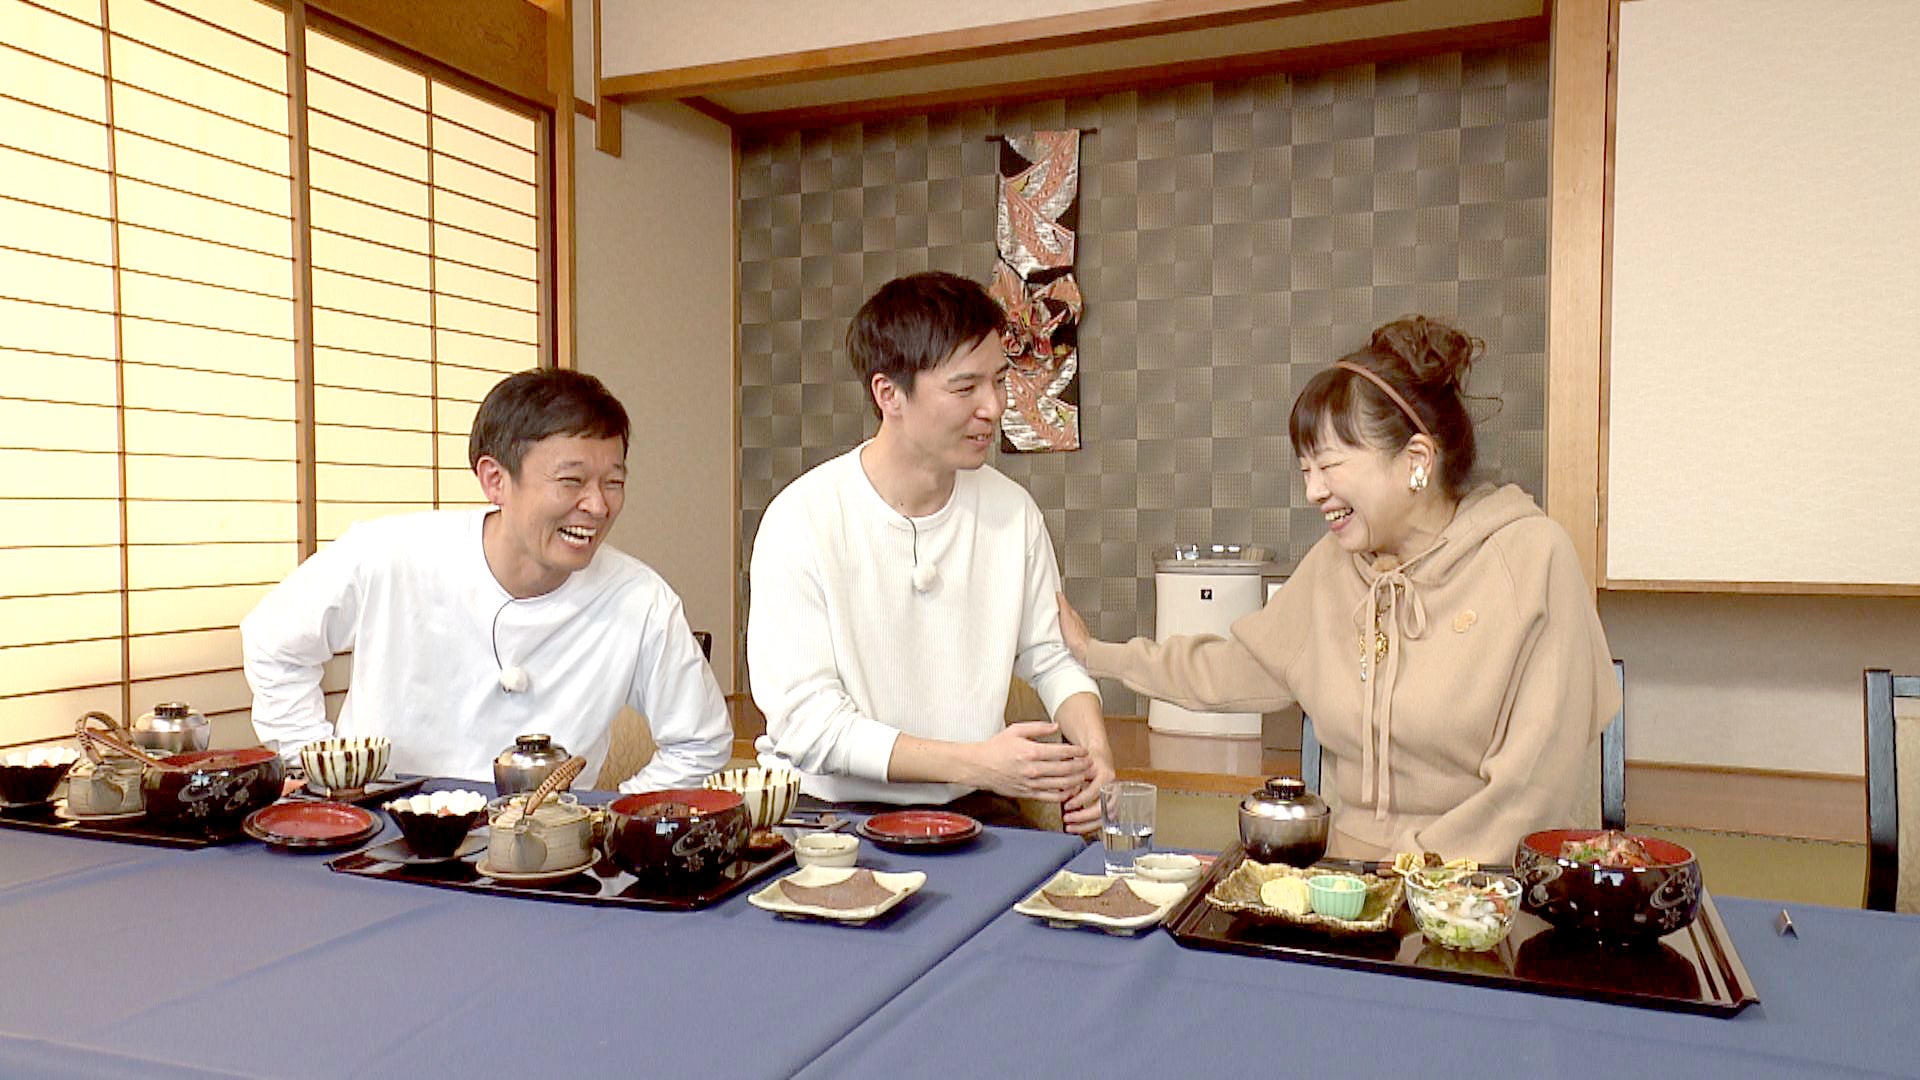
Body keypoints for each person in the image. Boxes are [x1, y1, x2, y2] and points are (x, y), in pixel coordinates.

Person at [1059, 317, 1619, 864]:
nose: (1313, 491)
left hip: (1484, 885)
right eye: (1305, 470)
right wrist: (1096, 654)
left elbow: (1533, 790)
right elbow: (1231, 670)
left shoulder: (1533, 559)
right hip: (1346, 882)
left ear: (1416, 461)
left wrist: (1411, 878)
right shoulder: (1334, 566)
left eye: (1328, 465)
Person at [242, 368, 732, 792]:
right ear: (495, 479)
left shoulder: (639, 600)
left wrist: (611, 820)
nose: (598, 505)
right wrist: (320, 769)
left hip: (545, 851)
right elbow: (273, 641)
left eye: (614, 482)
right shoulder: (389, 554)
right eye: (572, 481)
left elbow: (701, 742)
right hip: (384, 834)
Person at [748, 271, 1114, 834]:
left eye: (999, 381)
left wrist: (1098, 755)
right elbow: (809, 727)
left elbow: (1052, 655)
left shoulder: (1011, 512)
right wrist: (978, 762)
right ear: (889, 394)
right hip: (830, 814)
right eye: (965, 389)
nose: (993, 407)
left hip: (970, 808)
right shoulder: (802, 519)